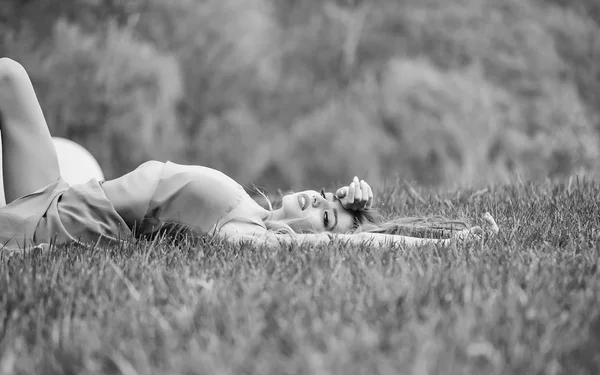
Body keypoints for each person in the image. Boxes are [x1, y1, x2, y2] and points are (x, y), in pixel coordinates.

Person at [0, 57, 497, 253]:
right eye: (323, 197)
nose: (314, 201)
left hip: (50, 228)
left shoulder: (245, 234)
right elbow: (342, 228)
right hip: (58, 194)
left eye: (323, 217)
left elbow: (345, 245)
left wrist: (447, 246)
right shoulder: (249, 204)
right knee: (9, 76)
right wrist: (349, 205)